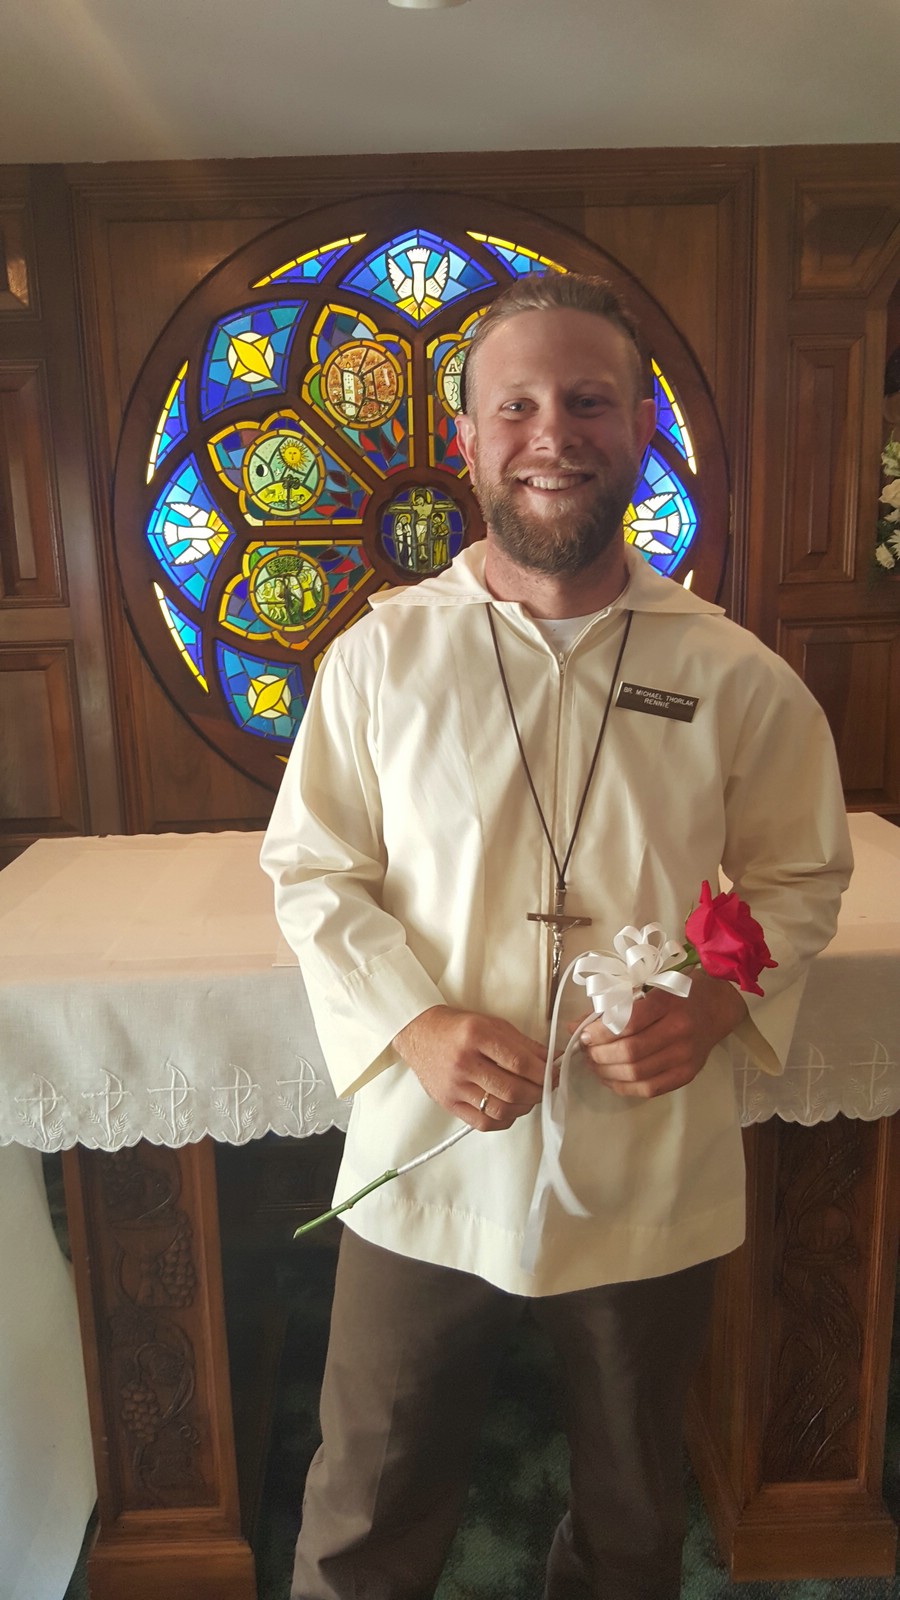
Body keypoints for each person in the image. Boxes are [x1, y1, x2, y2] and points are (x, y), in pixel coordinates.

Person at [261, 271, 852, 1600]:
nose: (552, 435)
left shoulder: (732, 674)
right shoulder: (380, 662)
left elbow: (800, 876)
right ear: (468, 438)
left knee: (636, 1511)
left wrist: (715, 1004)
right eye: (517, 406)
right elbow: (313, 871)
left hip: (644, 1147)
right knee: (366, 1505)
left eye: (588, 402)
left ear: (639, 428)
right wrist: (414, 1022)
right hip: (430, 1145)